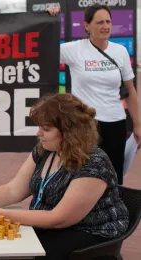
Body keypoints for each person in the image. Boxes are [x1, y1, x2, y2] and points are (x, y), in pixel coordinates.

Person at [0, 93, 129, 260]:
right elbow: (14, 189)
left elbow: (60, 218)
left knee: (26, 254)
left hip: (89, 231)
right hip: (50, 223)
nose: (38, 133)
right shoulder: (45, 150)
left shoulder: (93, 163)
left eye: (46, 129)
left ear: (69, 131)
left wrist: (1, 215)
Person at [48, 4, 140, 185]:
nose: (105, 26)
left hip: (116, 123)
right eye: (99, 22)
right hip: (85, 124)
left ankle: (113, 213)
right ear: (86, 26)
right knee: (83, 177)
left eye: (108, 21)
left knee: (113, 178)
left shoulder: (120, 51)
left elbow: (130, 91)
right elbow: (44, 49)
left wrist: (138, 124)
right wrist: (50, 20)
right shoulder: (74, 49)